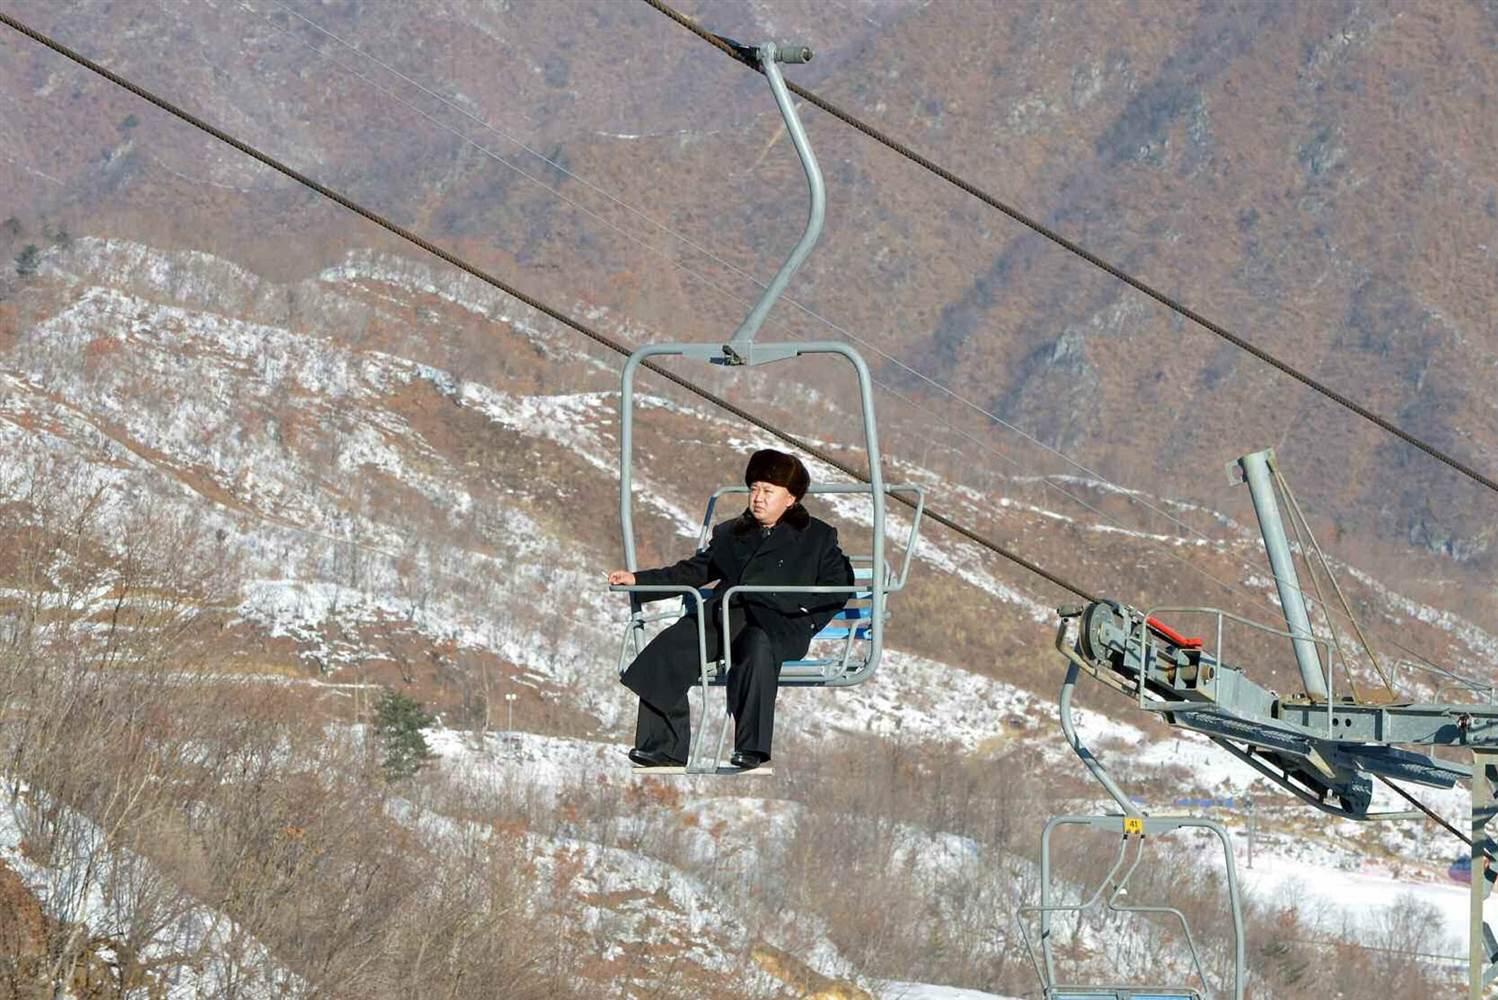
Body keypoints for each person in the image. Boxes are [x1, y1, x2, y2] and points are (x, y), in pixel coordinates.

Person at [608, 449, 853, 770]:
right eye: (754, 489)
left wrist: (806, 618)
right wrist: (639, 580)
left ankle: (751, 748)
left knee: (757, 649)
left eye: (768, 491)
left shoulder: (816, 537)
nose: (758, 498)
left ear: (790, 499)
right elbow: (692, 572)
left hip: (779, 624)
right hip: (726, 617)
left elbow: (838, 586)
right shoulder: (732, 534)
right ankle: (663, 746)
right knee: (670, 647)